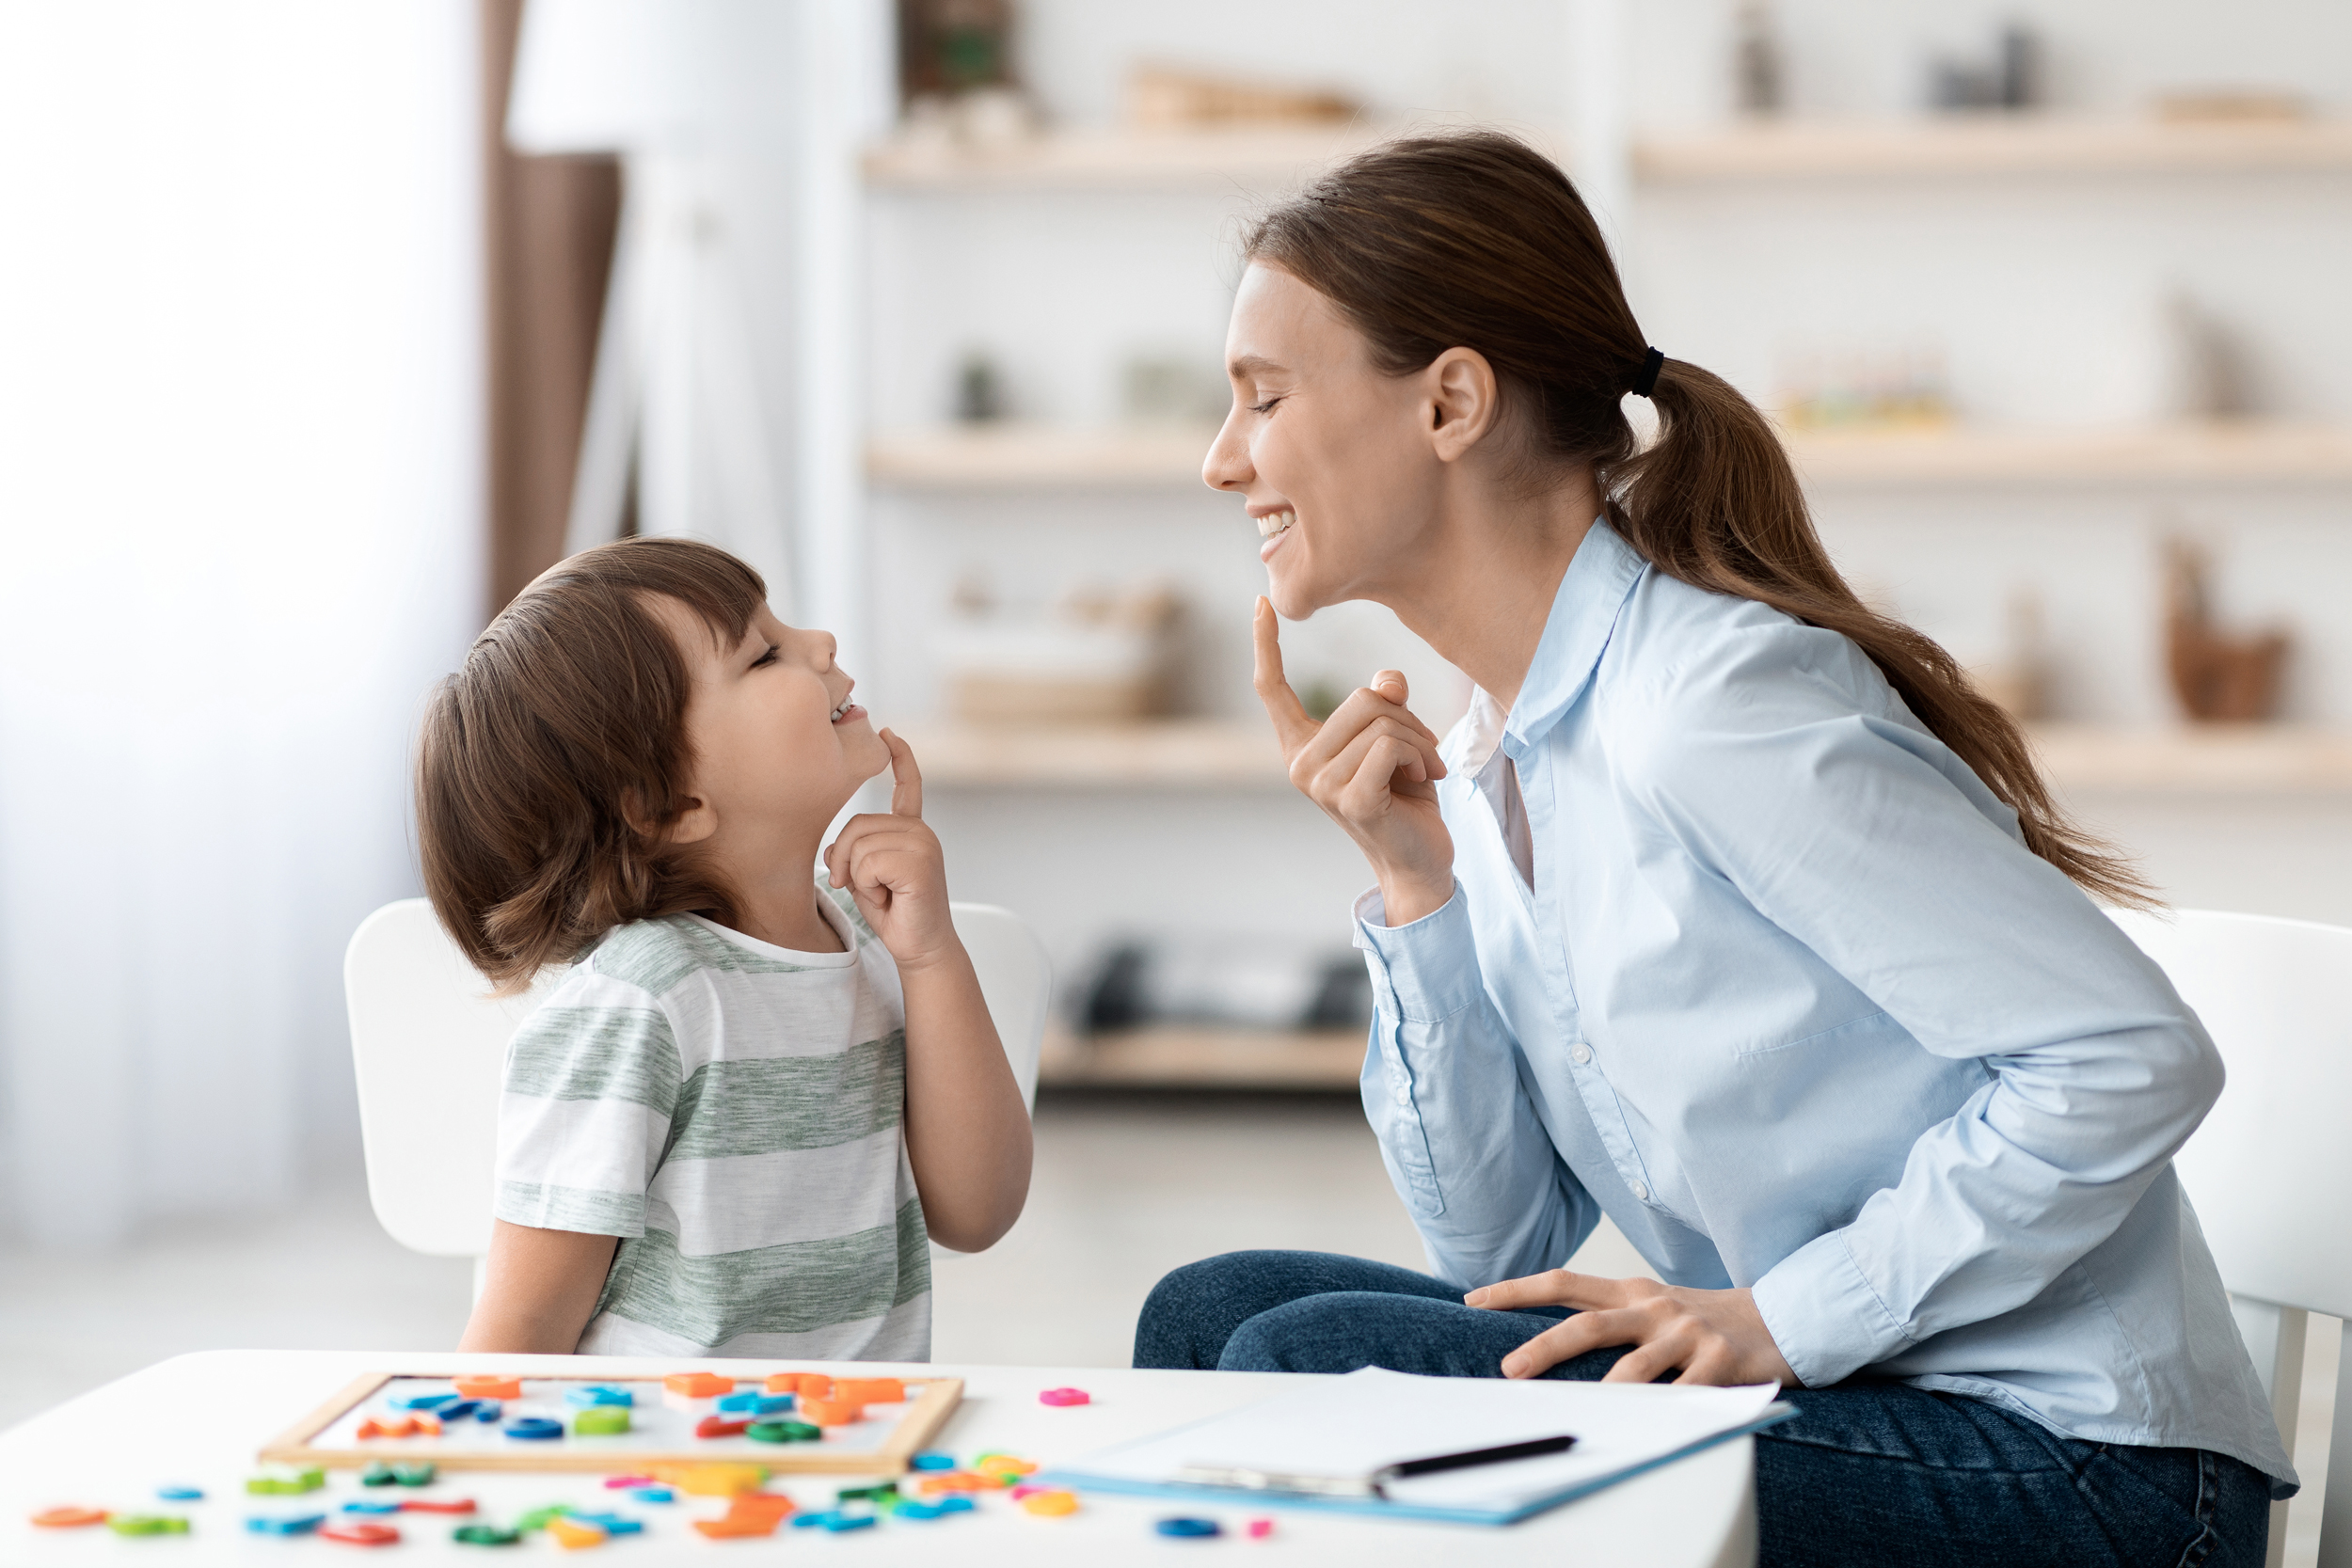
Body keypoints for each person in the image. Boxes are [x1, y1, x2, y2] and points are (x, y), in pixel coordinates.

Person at [1133, 132, 2293, 1567]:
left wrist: (1776, 1319)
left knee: (1306, 1370)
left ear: (1450, 400)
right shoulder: (1498, 752)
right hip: (1861, 1402)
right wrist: (1418, 888)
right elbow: (1493, 1254)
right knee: (1210, 1314)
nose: (1220, 457)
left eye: (1263, 396)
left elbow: (2130, 1055)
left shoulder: (1711, 709)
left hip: (2083, 1469)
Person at [416, 537, 1031, 1358]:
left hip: (865, 1458)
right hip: (668, 1473)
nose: (821, 645)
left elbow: (977, 1211)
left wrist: (929, 958)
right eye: (765, 653)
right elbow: (520, 1332)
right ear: (671, 805)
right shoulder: (642, 1002)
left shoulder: (870, 942)